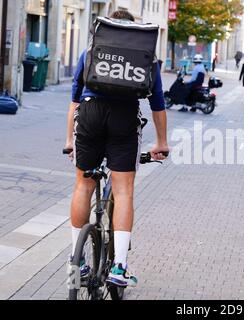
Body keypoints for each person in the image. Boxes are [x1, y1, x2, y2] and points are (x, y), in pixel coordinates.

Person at [64, 10, 169, 288]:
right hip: (124, 116)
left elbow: (75, 99)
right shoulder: (146, 57)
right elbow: (157, 102)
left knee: (82, 186)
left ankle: (77, 265)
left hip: (89, 114)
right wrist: (162, 142)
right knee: (123, 191)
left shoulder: (90, 52)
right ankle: (119, 267)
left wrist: (69, 140)